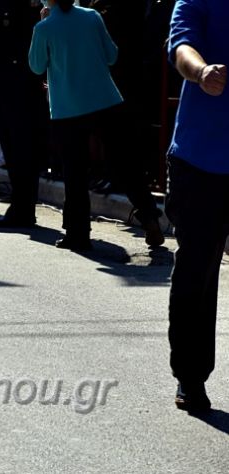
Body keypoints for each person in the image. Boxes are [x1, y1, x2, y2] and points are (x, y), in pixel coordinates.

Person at [28, 0, 164, 251]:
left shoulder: (44, 28)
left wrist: (42, 24)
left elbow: (36, 65)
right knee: (125, 163)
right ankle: (150, 217)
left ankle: (78, 233)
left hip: (67, 107)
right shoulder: (92, 16)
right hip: (105, 100)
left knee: (75, 172)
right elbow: (112, 55)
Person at [165, 0, 228, 412]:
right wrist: (202, 71)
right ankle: (191, 376)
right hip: (201, 160)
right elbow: (182, 47)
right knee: (198, 269)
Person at [0, 0, 48, 229]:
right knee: (12, 147)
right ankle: (21, 207)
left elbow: (24, 40)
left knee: (21, 148)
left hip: (19, 82)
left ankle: (23, 208)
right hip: (4, 80)